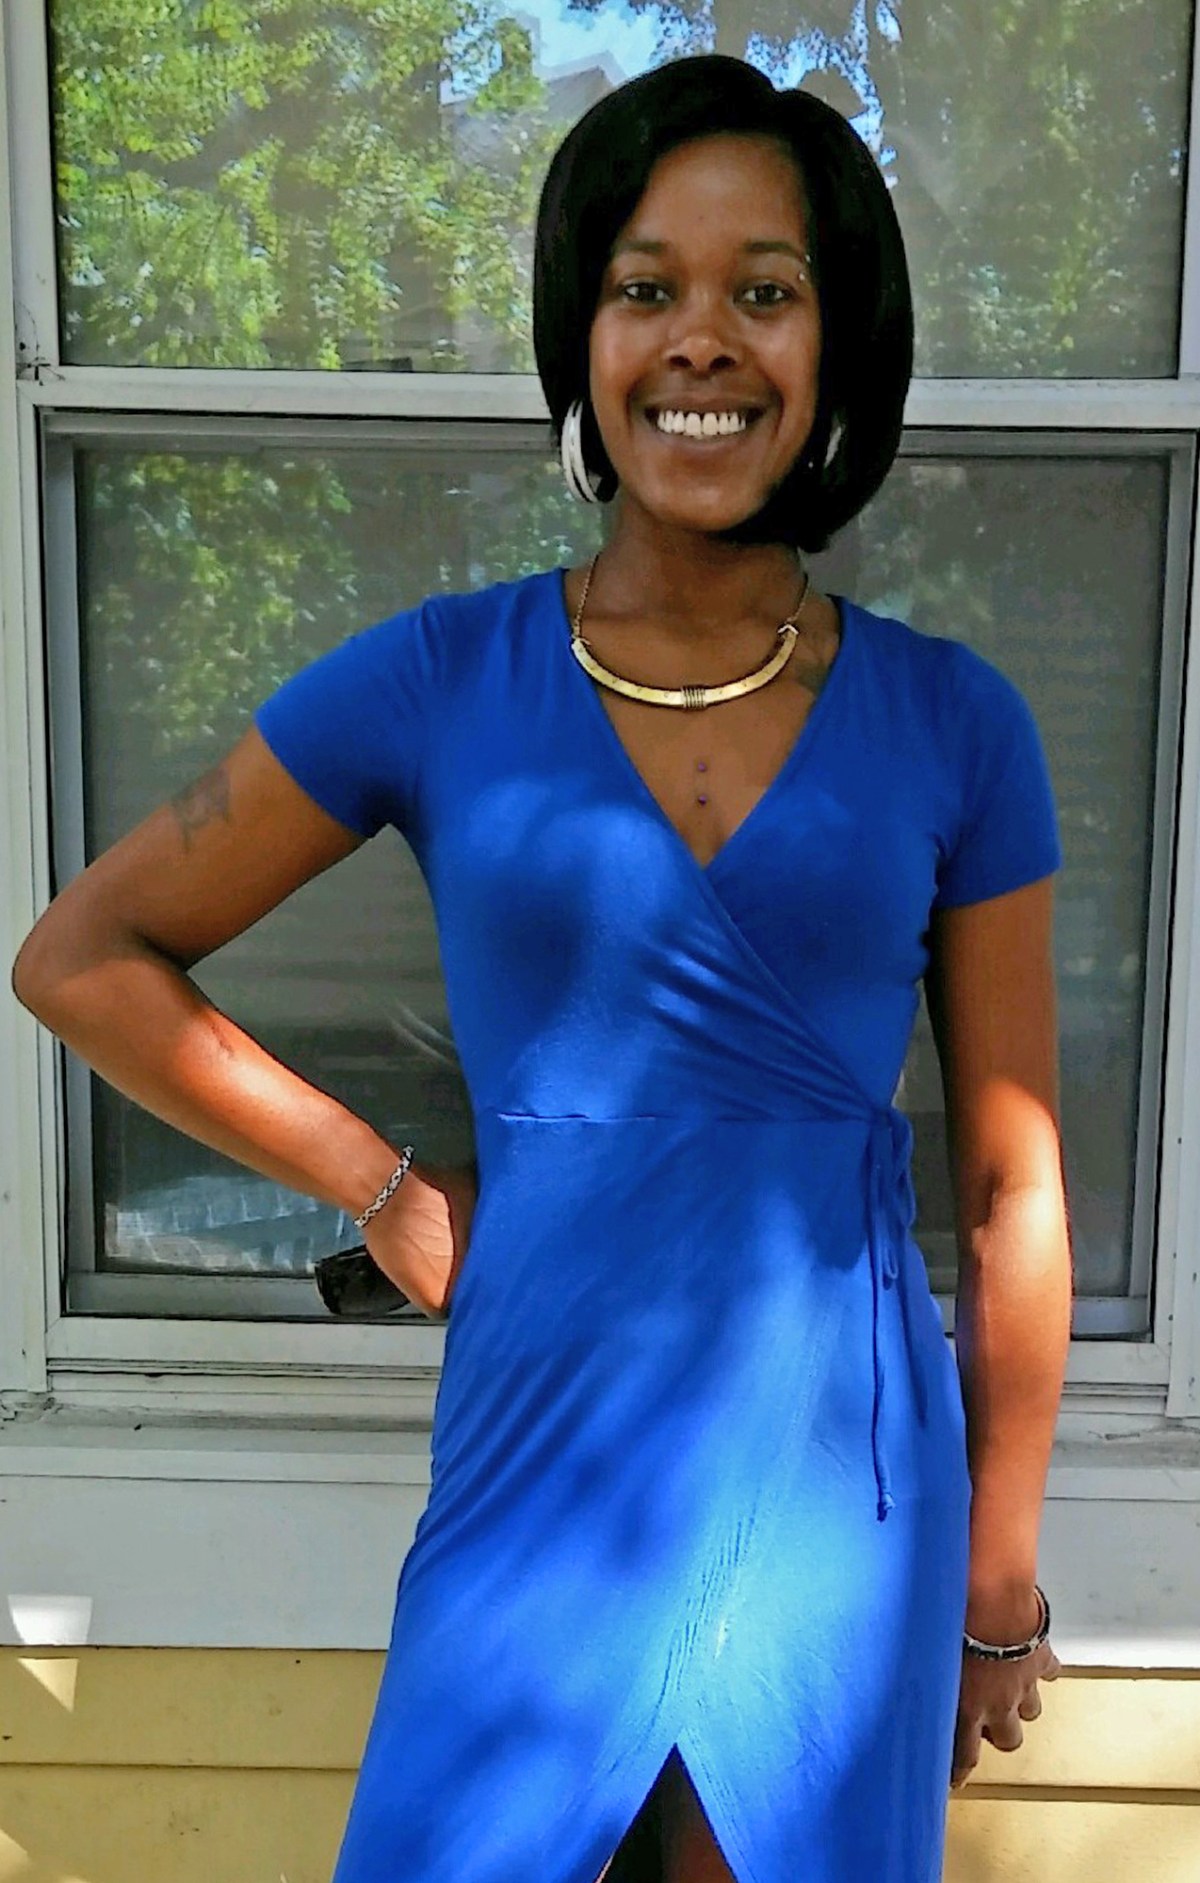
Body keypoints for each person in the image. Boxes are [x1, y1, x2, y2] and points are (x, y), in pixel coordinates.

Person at [11, 52, 1071, 1883]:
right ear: (584, 336)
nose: (701, 339)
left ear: (838, 348)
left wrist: (997, 1573)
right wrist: (382, 1186)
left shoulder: (957, 724)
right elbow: (84, 956)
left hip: (839, 1483)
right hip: (539, 1455)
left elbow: (1012, 1186)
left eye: (765, 290)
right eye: (647, 287)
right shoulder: (440, 680)